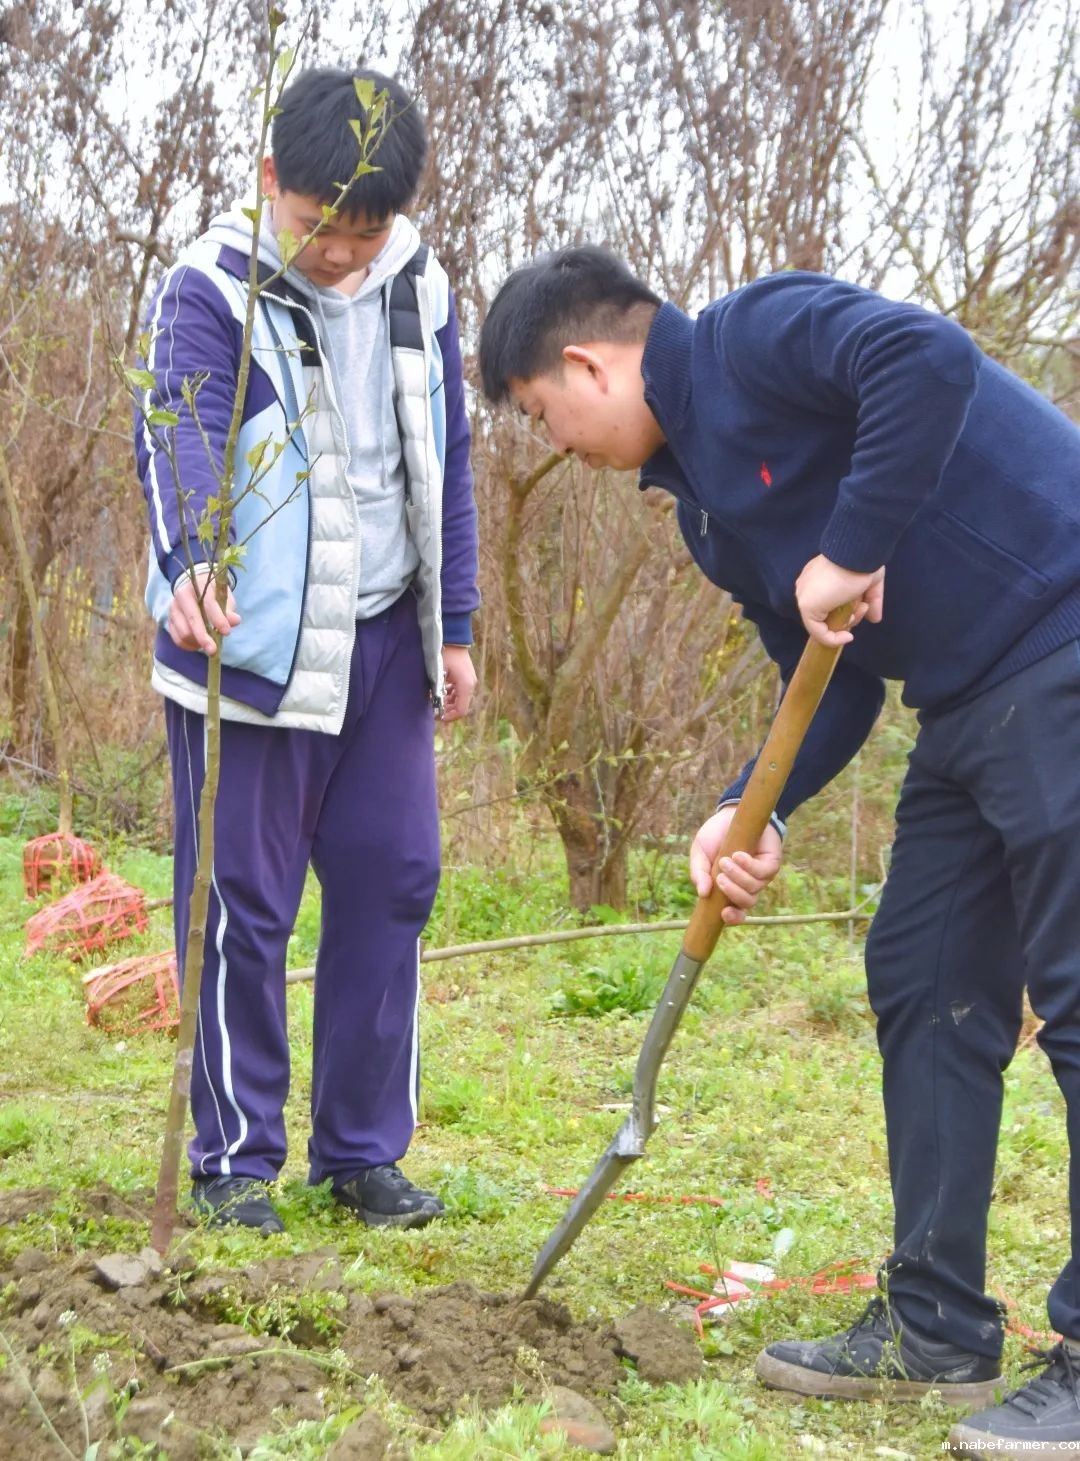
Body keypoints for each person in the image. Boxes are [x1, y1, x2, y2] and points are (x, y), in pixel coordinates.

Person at [478, 245, 1080, 1456]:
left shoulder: (760, 334)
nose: (565, 448)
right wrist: (745, 810)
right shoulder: (704, 507)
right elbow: (831, 678)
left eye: (548, 415)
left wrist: (854, 543)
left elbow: (929, 357)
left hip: (1063, 638)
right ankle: (937, 1325)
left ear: (589, 363)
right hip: (966, 701)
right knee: (922, 976)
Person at [134, 66, 479, 1236]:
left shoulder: (420, 288)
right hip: (252, 652)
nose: (341, 254)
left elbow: (448, 465)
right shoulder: (210, 287)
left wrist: (459, 624)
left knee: (393, 880)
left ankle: (361, 1154)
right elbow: (173, 425)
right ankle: (236, 1158)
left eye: (366, 231)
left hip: (386, 641)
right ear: (273, 181)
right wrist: (192, 561)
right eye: (321, 228)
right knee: (242, 900)